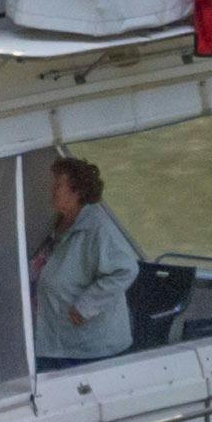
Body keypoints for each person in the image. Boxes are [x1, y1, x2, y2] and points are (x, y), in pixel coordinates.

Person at [31, 152, 141, 366]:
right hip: (56, 339)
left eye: (58, 185)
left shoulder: (98, 228)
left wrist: (86, 306)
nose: (52, 189)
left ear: (77, 192)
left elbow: (126, 269)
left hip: (88, 348)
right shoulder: (60, 223)